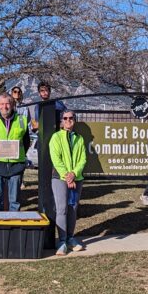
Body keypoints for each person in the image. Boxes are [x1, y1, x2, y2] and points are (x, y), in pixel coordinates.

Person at [0, 93, 30, 212]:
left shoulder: (22, 120)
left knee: (15, 201)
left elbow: (26, 142)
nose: (5, 106)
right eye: (2, 104)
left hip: (16, 166)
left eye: (7, 103)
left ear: (13, 104)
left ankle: (13, 226)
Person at [49, 109, 87, 255]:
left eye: (71, 118)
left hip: (76, 179)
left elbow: (83, 159)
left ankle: (71, 238)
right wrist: (67, 175)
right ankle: (62, 241)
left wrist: (74, 174)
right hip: (60, 178)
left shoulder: (80, 138)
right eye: (65, 118)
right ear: (61, 121)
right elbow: (56, 159)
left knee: (73, 208)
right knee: (62, 209)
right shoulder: (56, 137)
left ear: (74, 120)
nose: (68, 120)